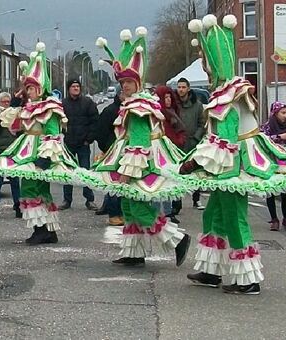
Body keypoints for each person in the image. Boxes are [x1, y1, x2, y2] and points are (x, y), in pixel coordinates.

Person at [180, 15, 286, 295]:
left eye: (208, 69)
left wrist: (195, 162)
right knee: (213, 214)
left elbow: (224, 139)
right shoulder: (229, 91)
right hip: (227, 164)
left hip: (236, 164)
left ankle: (248, 279)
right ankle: (211, 270)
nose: (207, 75)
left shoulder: (228, 95)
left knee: (234, 218)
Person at [82, 27, 191, 267]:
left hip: (139, 167)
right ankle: (134, 252)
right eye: (122, 83)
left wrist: (127, 173)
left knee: (140, 210)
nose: (125, 86)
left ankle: (178, 240)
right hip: (132, 165)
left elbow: (139, 145)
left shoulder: (139, 107)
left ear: (138, 82)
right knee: (128, 208)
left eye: (129, 82)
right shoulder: (131, 103)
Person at [0, 42, 80, 245]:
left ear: (40, 87)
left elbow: (53, 134)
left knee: (33, 189)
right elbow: (13, 124)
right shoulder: (29, 106)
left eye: (32, 88)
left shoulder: (49, 107)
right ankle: (45, 230)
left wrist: (45, 157)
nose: (29, 91)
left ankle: (42, 230)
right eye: (27, 88)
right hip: (26, 151)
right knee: (35, 189)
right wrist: (18, 100)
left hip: (38, 154)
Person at [60, 79, 98, 211]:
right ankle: (67, 200)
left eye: (77, 86)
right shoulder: (63, 104)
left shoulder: (88, 103)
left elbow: (95, 122)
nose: (76, 88)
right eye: (73, 86)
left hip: (83, 143)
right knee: (67, 172)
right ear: (69, 88)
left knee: (85, 172)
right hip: (69, 142)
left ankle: (89, 199)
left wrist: (89, 139)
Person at [261, 102, 286, 231]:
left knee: (285, 191)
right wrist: (279, 137)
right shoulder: (267, 126)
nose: (285, 116)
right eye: (282, 113)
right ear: (275, 113)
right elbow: (262, 139)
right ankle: (274, 219)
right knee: (270, 191)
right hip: (271, 162)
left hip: (284, 162)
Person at [155, 85, 187, 223]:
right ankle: (157, 212)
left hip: (173, 152)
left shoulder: (173, 112)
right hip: (160, 153)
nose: (168, 99)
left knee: (169, 182)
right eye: (165, 97)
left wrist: (180, 140)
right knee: (158, 183)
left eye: (169, 96)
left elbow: (180, 129)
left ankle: (168, 212)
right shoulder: (158, 114)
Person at [0, 92, 21, 219]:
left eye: (8, 101)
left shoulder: (13, 113)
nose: (6, 104)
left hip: (12, 149)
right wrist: (1, 119)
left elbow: (19, 130)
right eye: (4, 102)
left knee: (15, 180)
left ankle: (18, 206)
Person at [94, 87, 124, 226]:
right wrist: (106, 147)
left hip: (126, 153)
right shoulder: (111, 111)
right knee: (113, 183)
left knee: (123, 183)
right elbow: (100, 131)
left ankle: (121, 212)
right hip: (112, 151)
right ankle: (114, 213)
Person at [176, 77, 206, 210]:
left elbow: (202, 123)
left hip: (193, 142)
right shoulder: (175, 104)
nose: (181, 90)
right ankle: (177, 202)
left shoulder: (197, 105)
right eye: (179, 87)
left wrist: (196, 138)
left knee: (195, 170)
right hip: (178, 143)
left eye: (183, 87)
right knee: (177, 171)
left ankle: (196, 198)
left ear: (188, 89)